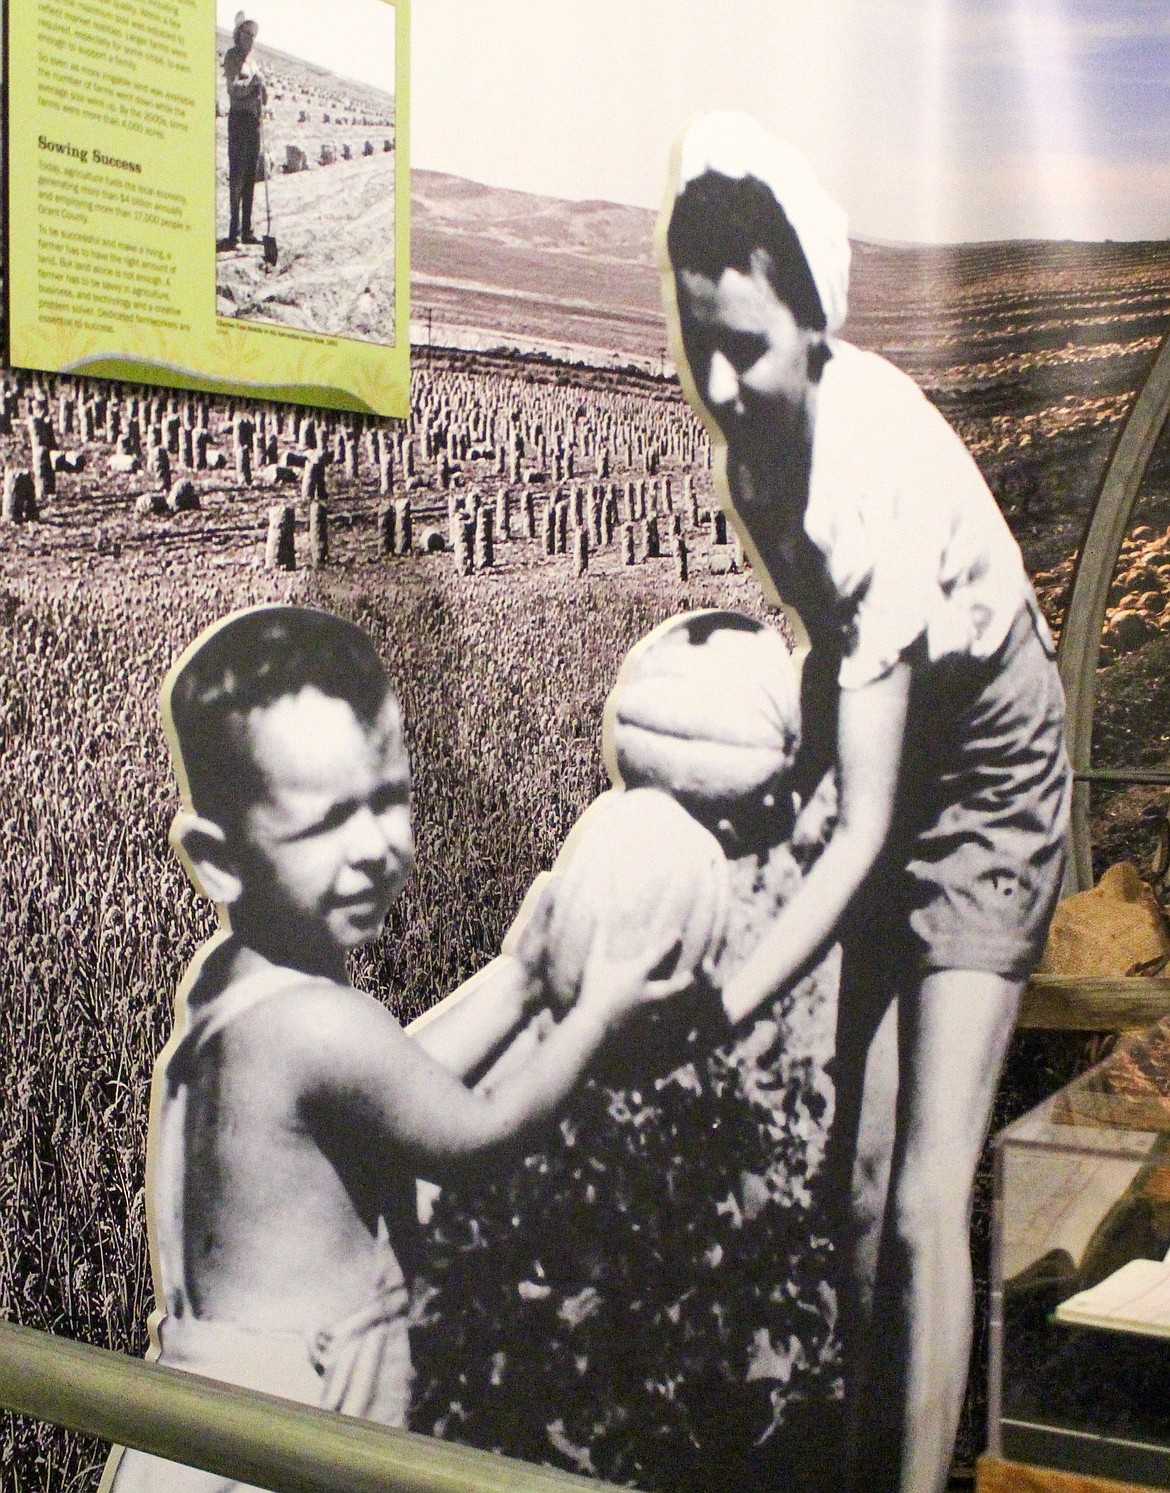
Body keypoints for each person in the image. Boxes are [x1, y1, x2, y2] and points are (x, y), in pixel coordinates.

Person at [661, 113, 1071, 1493]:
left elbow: (866, 833)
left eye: (747, 345)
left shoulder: (858, 483)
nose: (720, 381)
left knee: (921, 1194)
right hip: (901, 730)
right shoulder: (752, 458)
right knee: (855, 1184)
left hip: (989, 767)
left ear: (817, 327)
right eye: (697, 338)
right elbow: (836, 668)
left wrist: (720, 1001)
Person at [100, 605, 690, 1493]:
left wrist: (520, 981)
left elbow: (393, 1082)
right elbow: (476, 1134)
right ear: (215, 860)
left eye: (388, 799)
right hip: (289, 1427)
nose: (375, 847)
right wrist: (596, 1015)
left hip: (206, 1423)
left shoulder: (234, 986)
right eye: (325, 822)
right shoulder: (322, 1024)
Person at [220, 12, 266, 250]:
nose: (251, 38)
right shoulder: (232, 56)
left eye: (253, 35)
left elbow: (261, 95)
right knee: (237, 176)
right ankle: (233, 232)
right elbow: (233, 89)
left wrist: (263, 90)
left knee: (250, 176)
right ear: (238, 34)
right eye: (247, 33)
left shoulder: (253, 61)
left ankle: (247, 230)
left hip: (254, 123)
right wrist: (252, 83)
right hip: (239, 121)